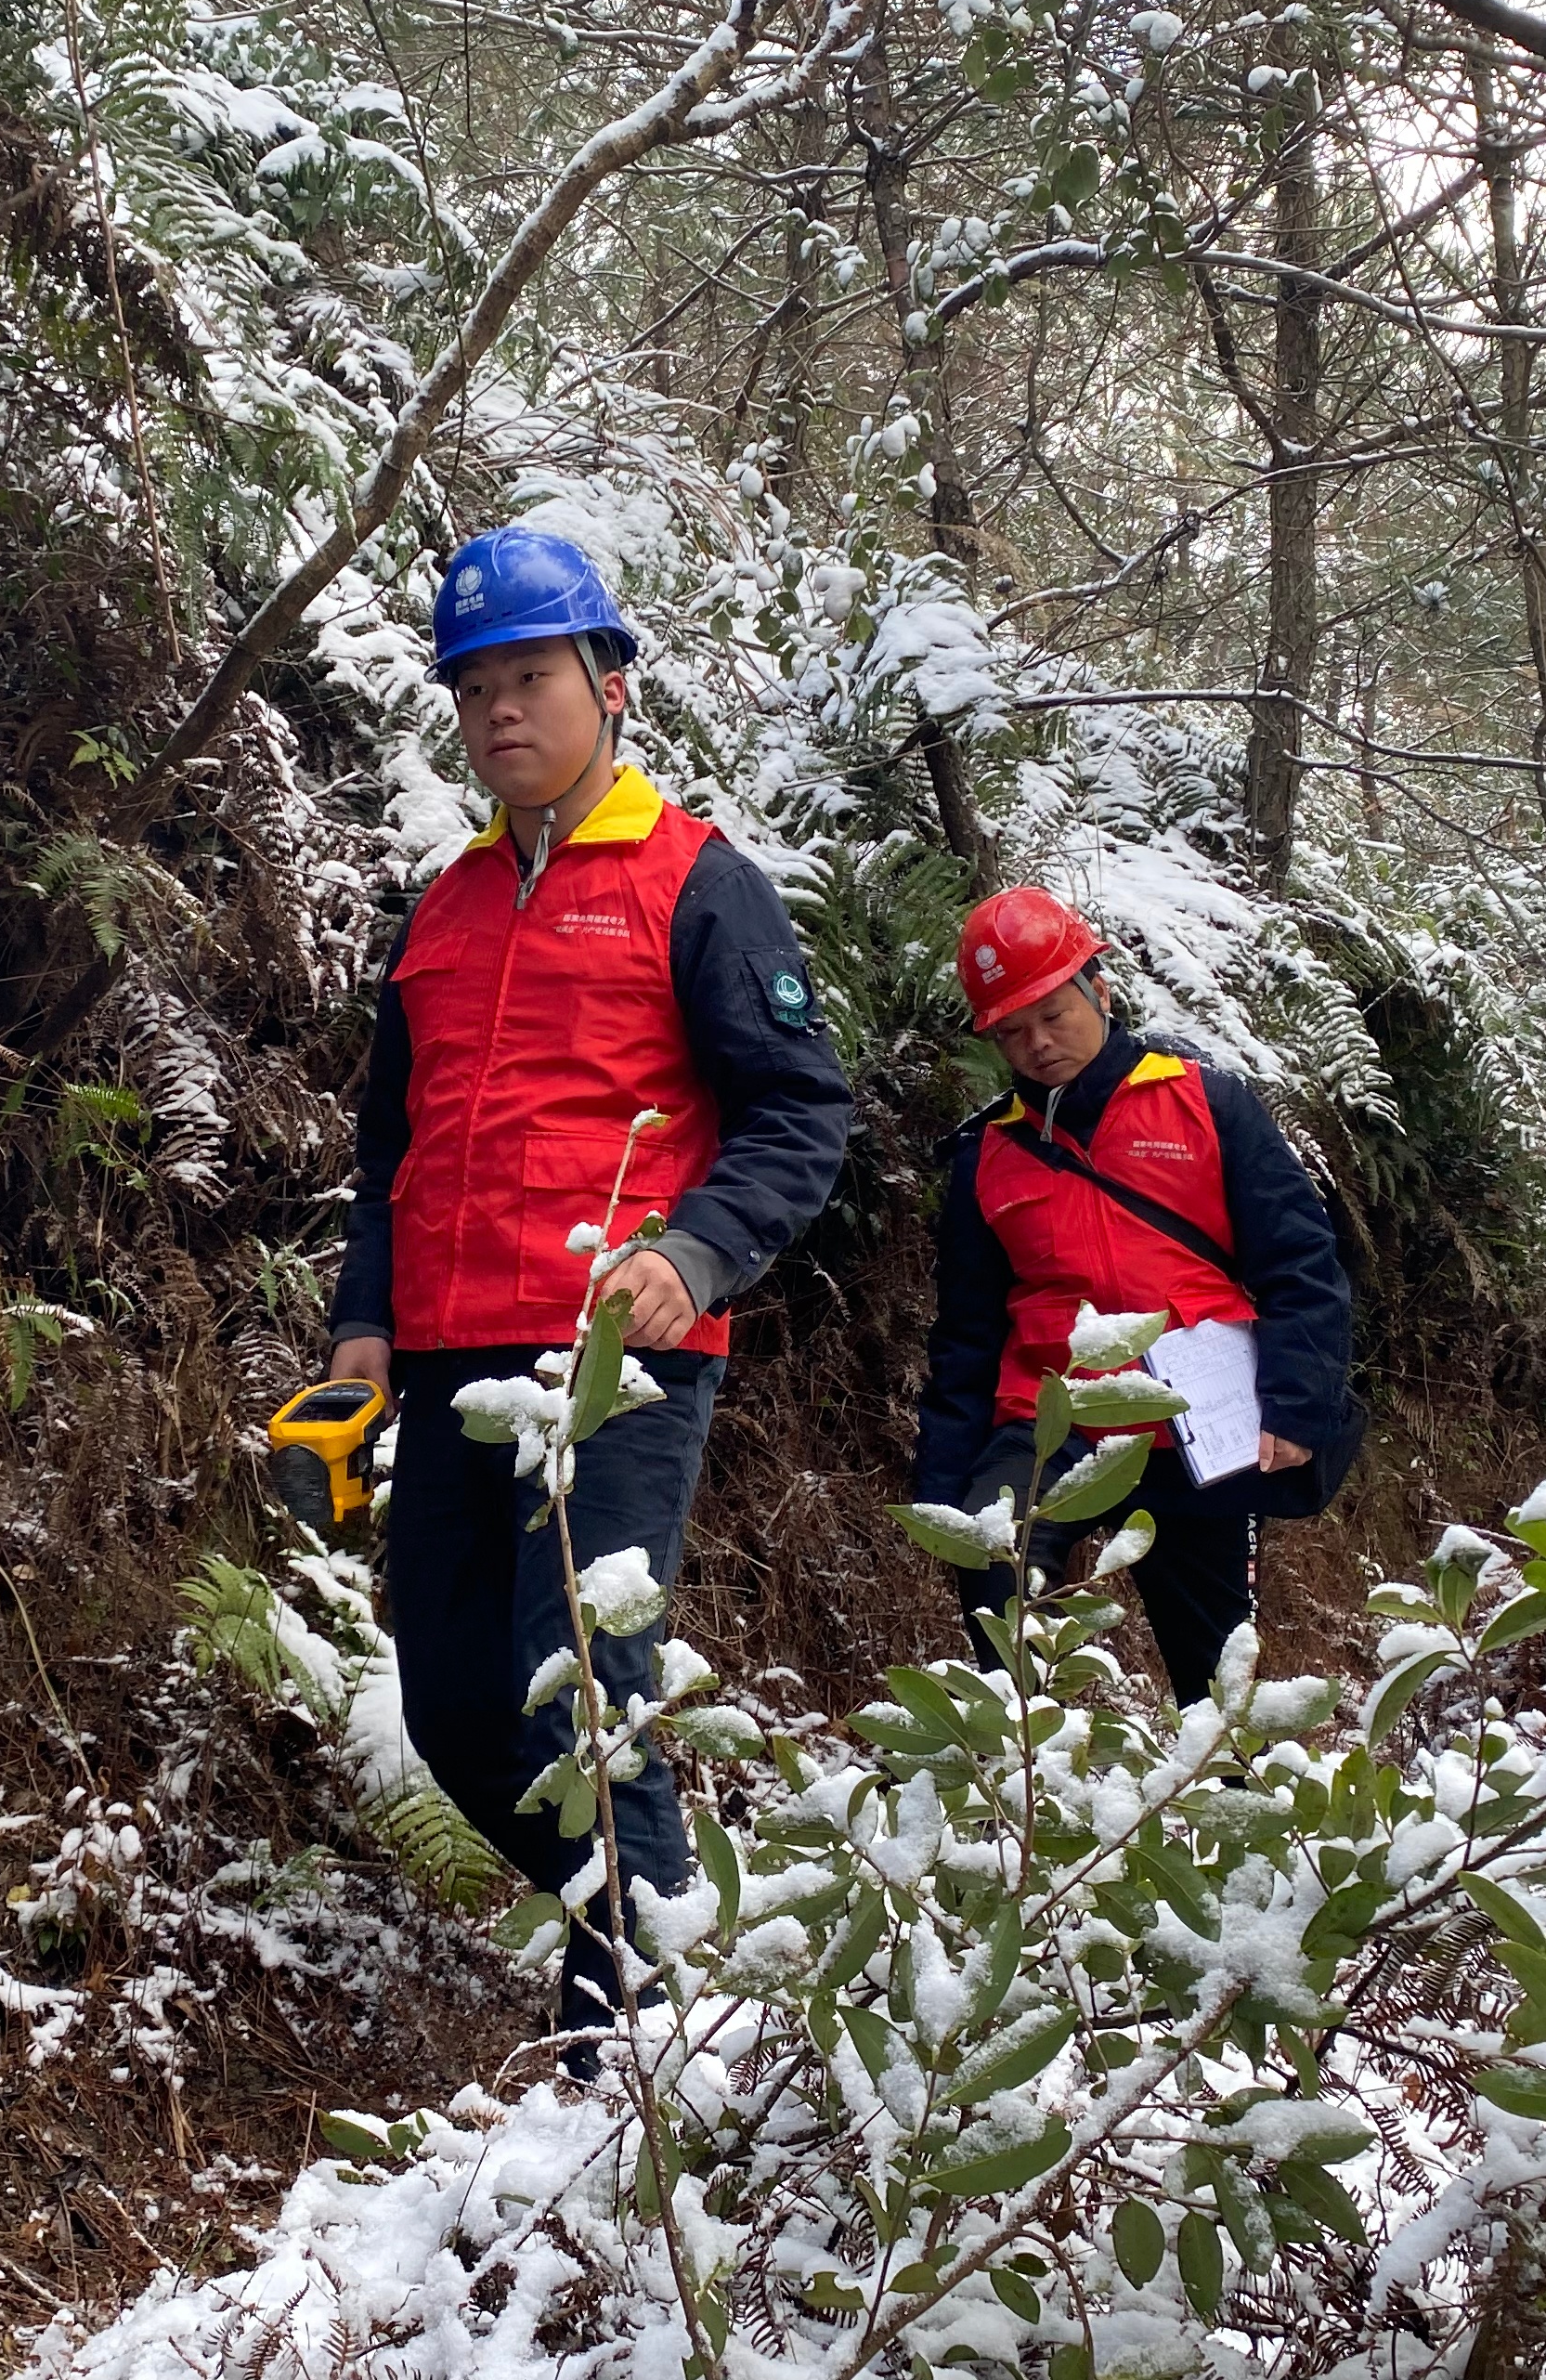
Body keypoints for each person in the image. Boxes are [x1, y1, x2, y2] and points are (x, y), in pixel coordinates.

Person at [322, 526, 851, 2054]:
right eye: (474, 684)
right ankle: (655, 1940)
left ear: (608, 684)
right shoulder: (442, 907)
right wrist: (362, 1329)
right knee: (450, 1708)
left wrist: (689, 1254)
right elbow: (392, 1155)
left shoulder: (698, 882)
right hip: (440, 1360)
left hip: (614, 1354)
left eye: (531, 674)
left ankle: (630, 2038)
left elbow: (803, 1109)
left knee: (580, 1692)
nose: (499, 709)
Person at [912, 885, 1361, 1699]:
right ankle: (1037, 1787)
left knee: (1220, 1675)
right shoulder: (988, 1156)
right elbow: (967, 1336)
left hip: (1197, 1423)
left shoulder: (1206, 1103)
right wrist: (944, 1489)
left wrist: (1296, 1407)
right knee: (995, 1566)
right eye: (1012, 1031)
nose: (1038, 1044)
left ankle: (1228, 1805)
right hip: (1053, 1419)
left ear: (1100, 990)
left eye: (1053, 1015)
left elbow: (1301, 1262)